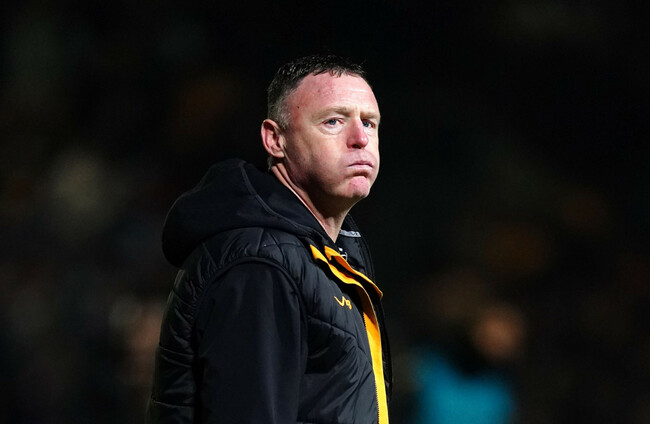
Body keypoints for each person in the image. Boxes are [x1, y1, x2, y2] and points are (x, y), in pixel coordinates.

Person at [146, 54, 391, 424]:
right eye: (333, 121)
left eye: (369, 123)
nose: (360, 139)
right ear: (275, 140)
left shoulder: (329, 254)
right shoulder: (259, 264)